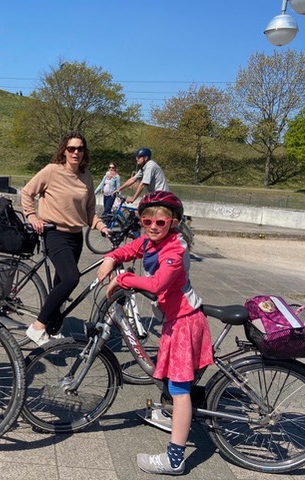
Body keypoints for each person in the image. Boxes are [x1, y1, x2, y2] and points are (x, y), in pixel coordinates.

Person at [96, 191, 213, 475]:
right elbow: (131, 249)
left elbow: (159, 284)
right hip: (174, 320)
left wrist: (123, 278)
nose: (151, 226)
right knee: (170, 376)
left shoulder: (175, 249)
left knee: (180, 388)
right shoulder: (152, 241)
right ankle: (168, 411)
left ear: (173, 222)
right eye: (145, 220)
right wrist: (111, 258)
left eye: (160, 222)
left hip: (185, 322)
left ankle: (175, 458)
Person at [22, 132, 110, 346]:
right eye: (71, 148)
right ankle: (38, 326)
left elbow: (89, 210)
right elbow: (27, 192)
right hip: (54, 233)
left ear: (84, 152)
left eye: (80, 148)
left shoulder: (86, 176)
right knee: (72, 278)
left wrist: (101, 226)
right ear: (64, 150)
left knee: (61, 284)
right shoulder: (52, 171)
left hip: (75, 237)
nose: (76, 152)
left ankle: (53, 329)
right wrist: (32, 215)